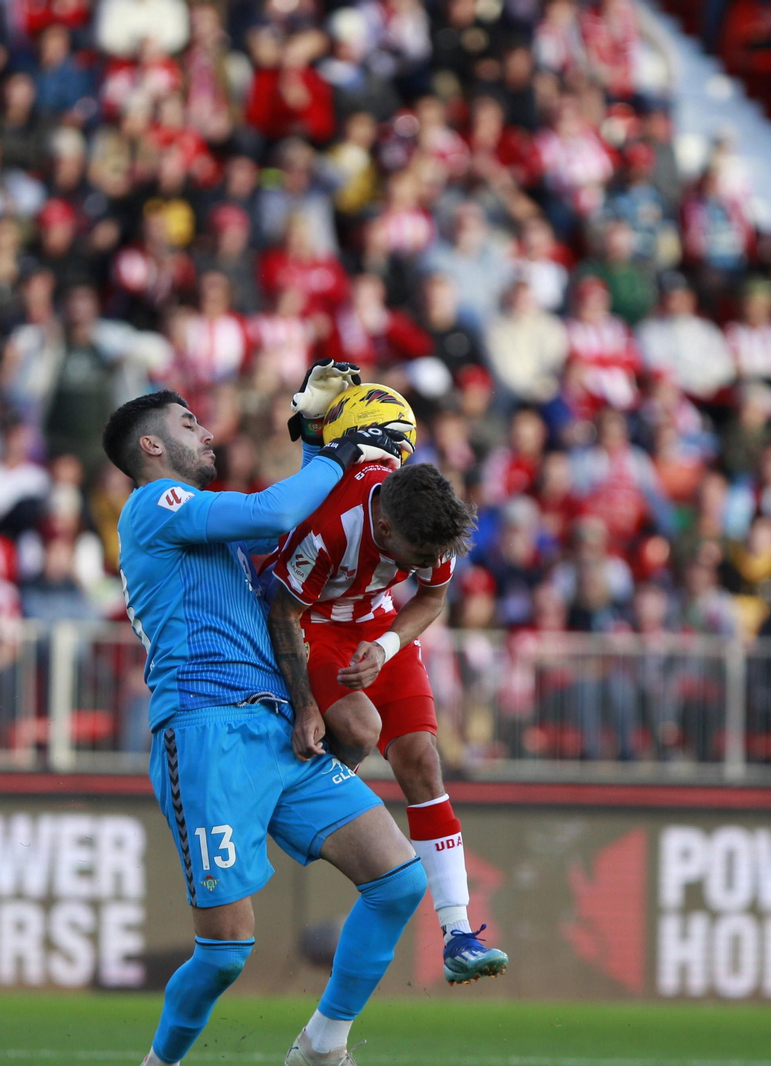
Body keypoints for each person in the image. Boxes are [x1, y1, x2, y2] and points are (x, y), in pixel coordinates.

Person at [102, 377, 417, 1066]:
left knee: (399, 878)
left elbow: (292, 519)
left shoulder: (202, 522)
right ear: (152, 445)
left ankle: (322, 1044)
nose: (206, 432)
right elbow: (276, 515)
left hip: (275, 731)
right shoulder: (155, 504)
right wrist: (343, 455)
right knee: (224, 954)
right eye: (189, 424)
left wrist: (316, 435)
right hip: (205, 729)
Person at [265, 442, 510, 985]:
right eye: (415, 557)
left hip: (379, 629)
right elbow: (282, 608)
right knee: (360, 727)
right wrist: (306, 703)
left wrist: (388, 647)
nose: (422, 566)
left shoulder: (429, 525)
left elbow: (431, 599)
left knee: (422, 761)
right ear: (384, 524)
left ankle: (457, 934)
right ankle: (297, 794)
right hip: (317, 626)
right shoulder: (333, 526)